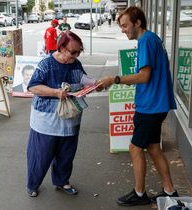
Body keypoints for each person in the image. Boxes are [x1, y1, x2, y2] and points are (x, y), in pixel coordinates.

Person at [96, 6, 178, 206]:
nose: (123, 30)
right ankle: (170, 191)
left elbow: (144, 76)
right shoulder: (150, 39)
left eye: (125, 26)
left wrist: (113, 79)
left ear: (137, 23)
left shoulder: (146, 41)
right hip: (155, 104)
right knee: (153, 148)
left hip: (151, 106)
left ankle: (139, 194)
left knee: (135, 147)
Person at [26, 31, 88, 197]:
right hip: (46, 120)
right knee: (41, 155)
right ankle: (33, 184)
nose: (76, 55)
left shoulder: (76, 64)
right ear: (61, 48)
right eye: (73, 52)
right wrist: (55, 92)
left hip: (70, 118)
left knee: (66, 154)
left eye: (79, 51)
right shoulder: (46, 64)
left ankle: (62, 181)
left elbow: (83, 79)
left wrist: (95, 84)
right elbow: (33, 86)